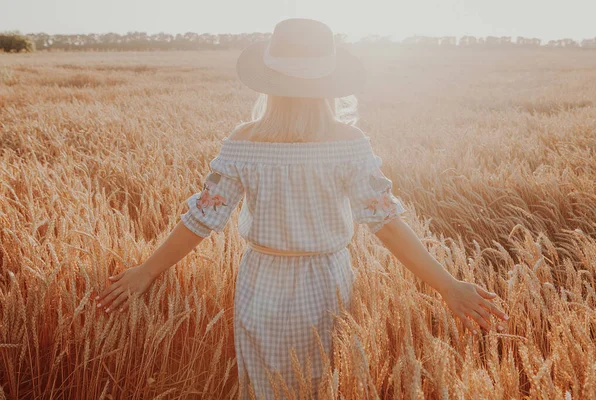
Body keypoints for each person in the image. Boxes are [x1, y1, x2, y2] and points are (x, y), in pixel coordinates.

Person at [96, 18, 509, 399]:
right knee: (323, 383)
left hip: (260, 281)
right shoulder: (347, 141)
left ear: (269, 80)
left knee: (263, 386)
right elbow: (386, 223)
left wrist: (146, 271)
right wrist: (447, 285)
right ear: (330, 84)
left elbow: (201, 219)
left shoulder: (245, 141)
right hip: (326, 281)